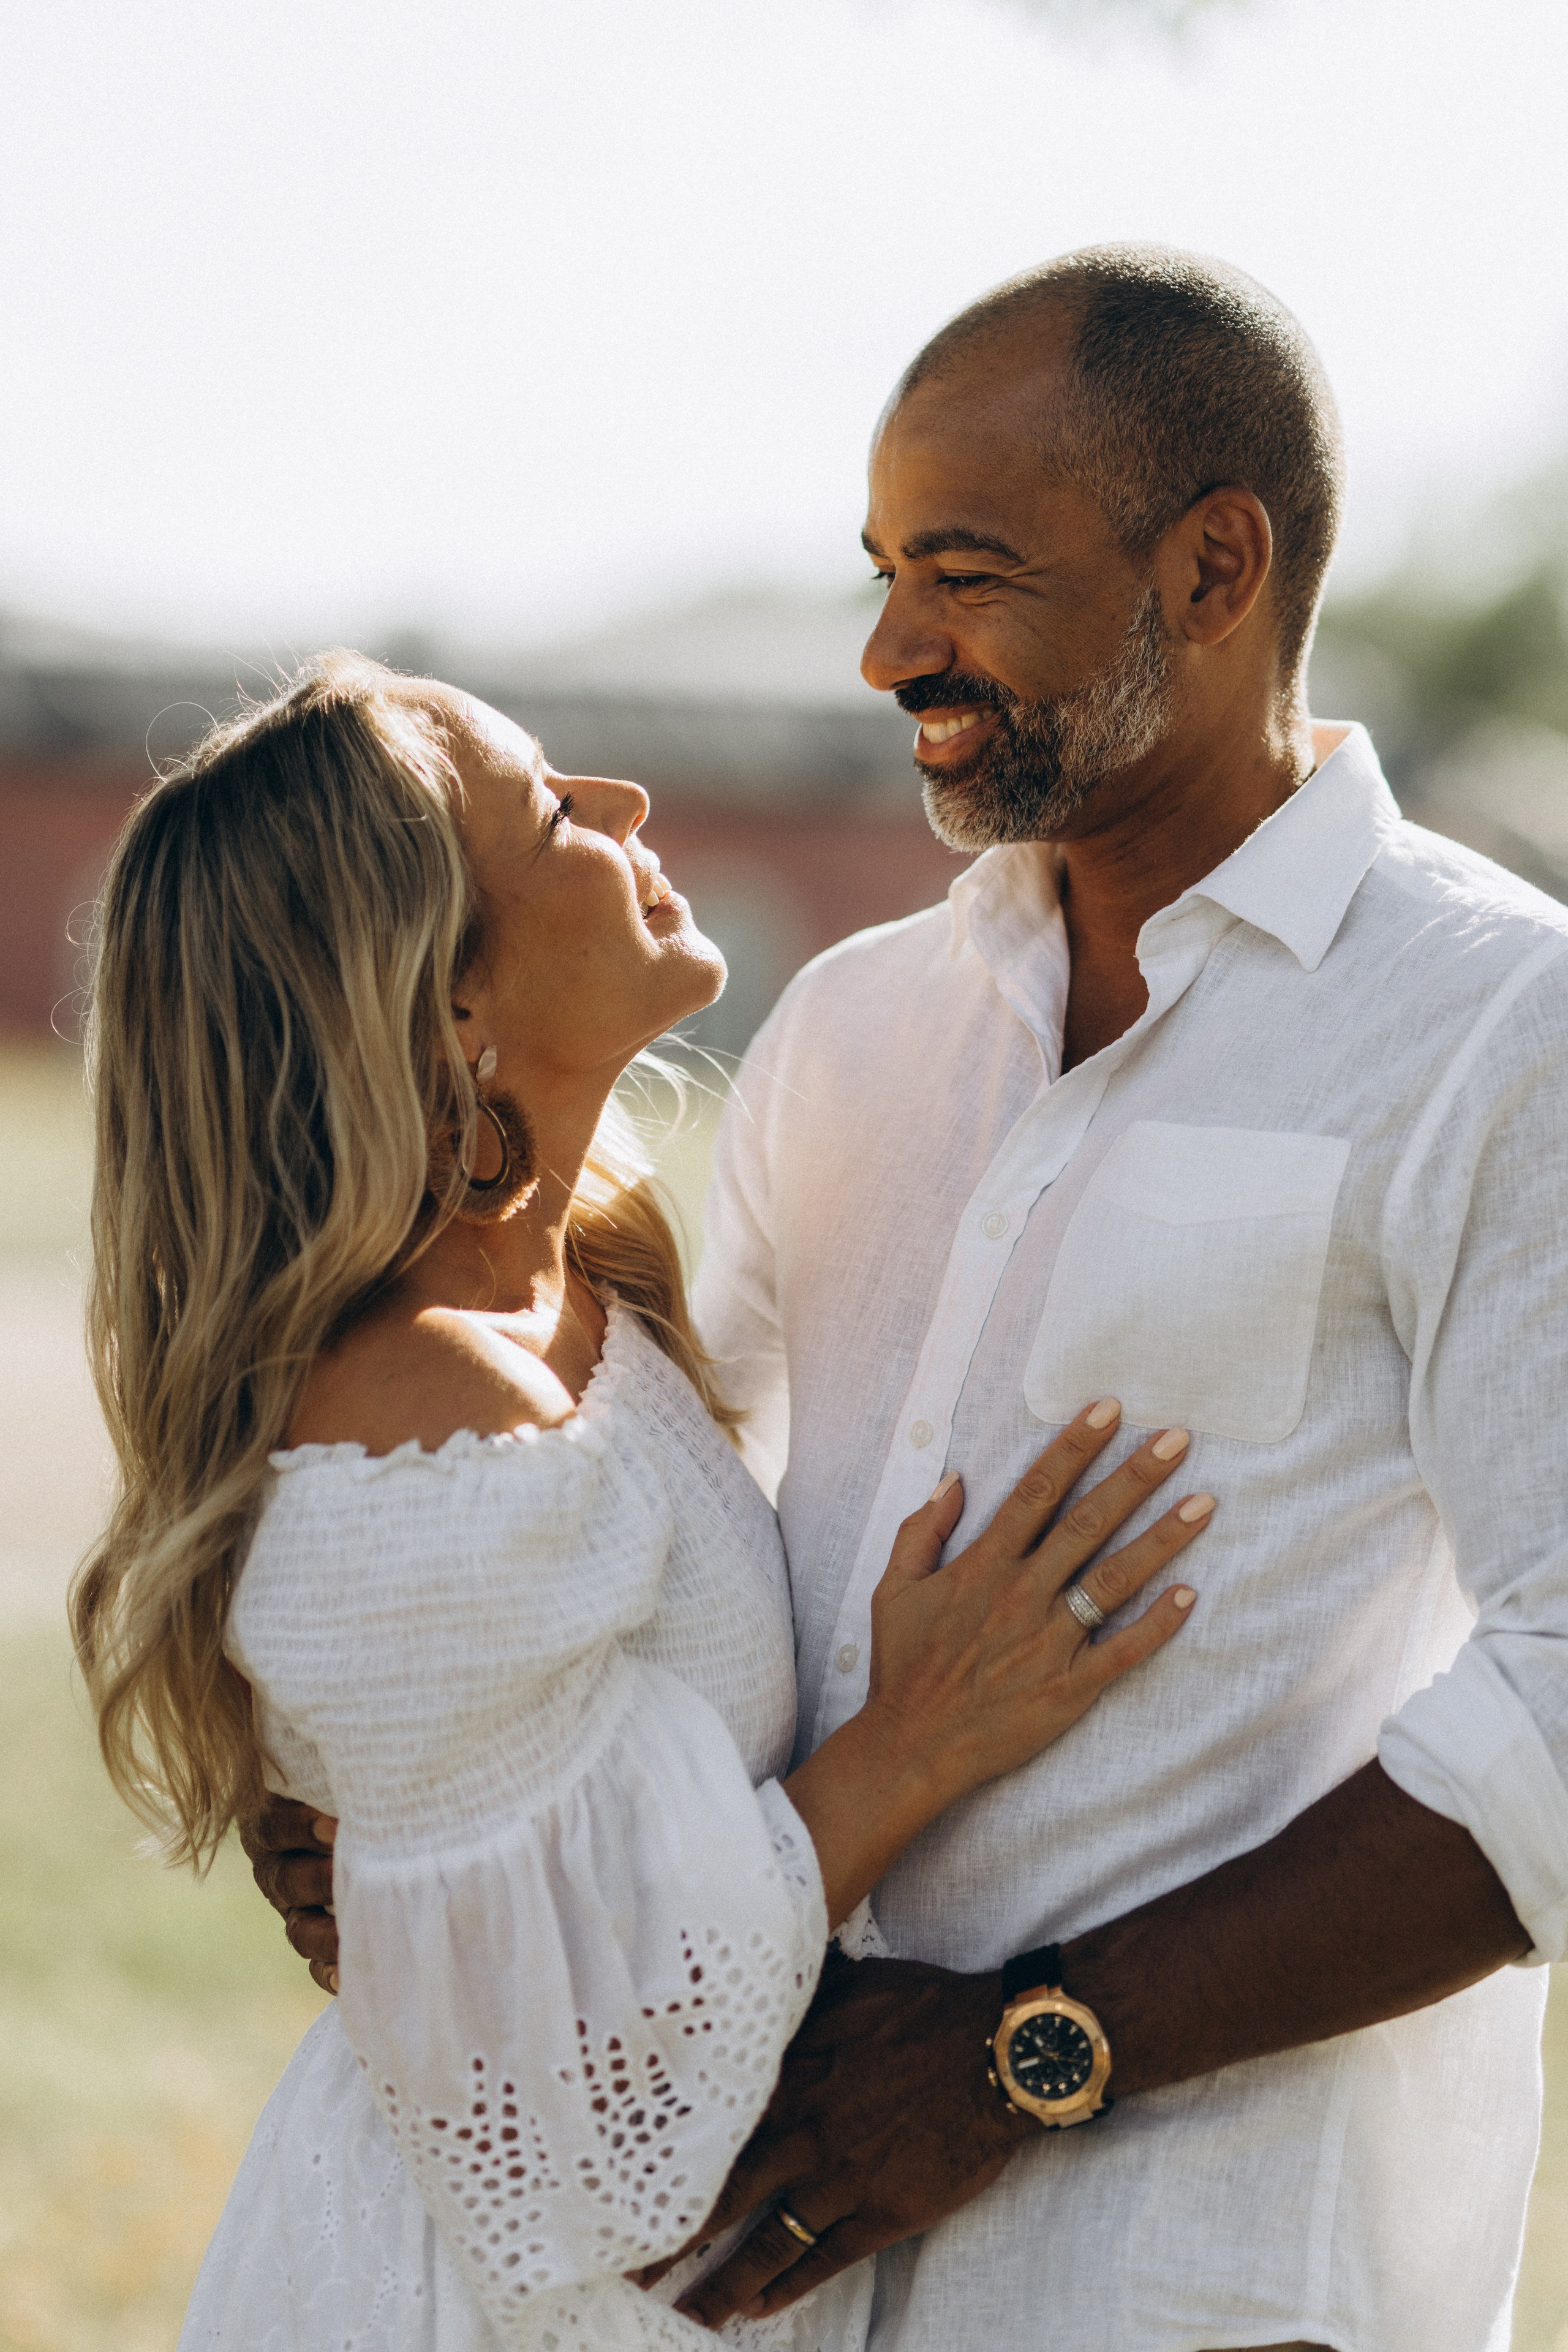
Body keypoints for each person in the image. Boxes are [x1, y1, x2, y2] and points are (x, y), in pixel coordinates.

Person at [252, 247, 1568, 2351]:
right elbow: (678, 1555)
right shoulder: (855, 1031)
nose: (889, 648)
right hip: (758, 2264)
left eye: (964, 573)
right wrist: (427, 1820)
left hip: (1213, 2276)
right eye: (882, 569)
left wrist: (1033, 2049)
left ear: (1213, 570)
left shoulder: (1505, 1031)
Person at [72, 652, 1214, 2352]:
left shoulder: (582, 1275)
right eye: (547, 811)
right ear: (449, 1002)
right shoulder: (422, 1418)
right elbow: (577, 2106)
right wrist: (918, 1736)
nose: (626, 808)